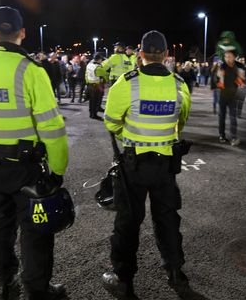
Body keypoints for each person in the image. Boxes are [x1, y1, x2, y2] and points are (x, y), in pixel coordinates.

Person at [0, 6, 69, 300]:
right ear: (22, 33)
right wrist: (57, 170)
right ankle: (37, 287)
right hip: (26, 168)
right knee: (35, 230)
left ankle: (5, 281)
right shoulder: (31, 71)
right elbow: (52, 129)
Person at [101, 30, 191, 299]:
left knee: (128, 222)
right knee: (167, 218)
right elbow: (181, 121)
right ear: (165, 55)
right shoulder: (178, 84)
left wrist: (126, 134)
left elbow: (111, 121)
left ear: (140, 54)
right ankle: (175, 271)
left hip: (134, 165)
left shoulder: (127, 83)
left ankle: (123, 278)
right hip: (165, 165)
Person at [217, 51, 246, 145]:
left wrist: (241, 81)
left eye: (229, 56)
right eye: (226, 57)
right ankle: (222, 135)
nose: (227, 58)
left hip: (233, 96)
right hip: (223, 95)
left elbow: (241, 81)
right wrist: (219, 78)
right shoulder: (222, 67)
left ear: (234, 57)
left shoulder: (238, 67)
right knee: (222, 116)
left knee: (233, 117)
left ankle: (233, 137)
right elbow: (218, 81)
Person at [85, 54, 108, 119]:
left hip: (90, 84)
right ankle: (94, 115)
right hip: (96, 86)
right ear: (99, 59)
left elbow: (86, 74)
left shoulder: (89, 65)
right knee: (95, 101)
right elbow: (105, 74)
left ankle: (91, 113)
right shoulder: (98, 67)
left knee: (92, 101)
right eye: (101, 60)